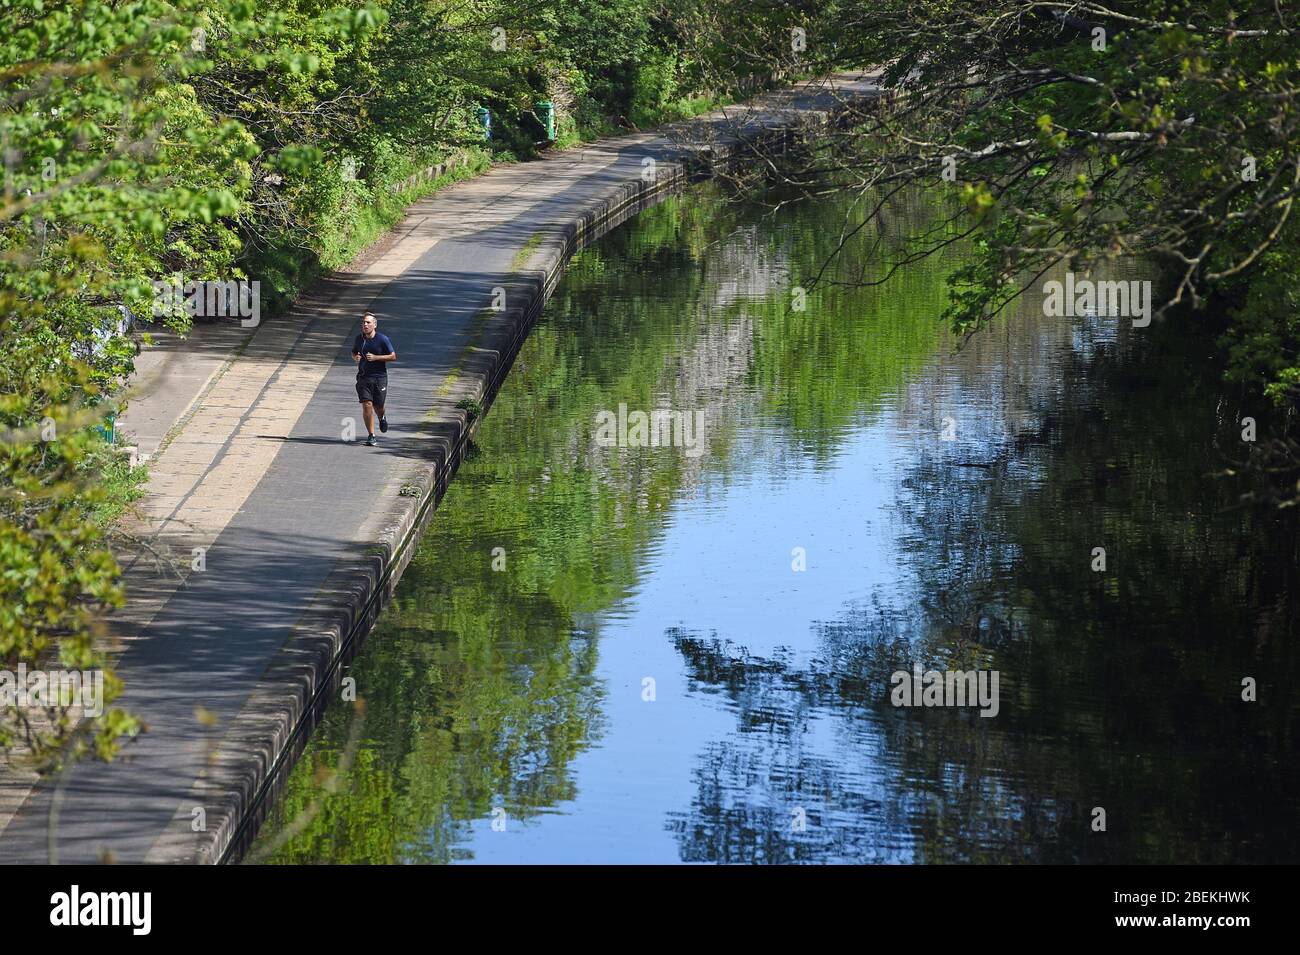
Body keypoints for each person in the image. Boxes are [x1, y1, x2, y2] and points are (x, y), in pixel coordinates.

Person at [351, 312, 397, 446]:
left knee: (379, 406)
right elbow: (354, 351)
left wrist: (376, 358)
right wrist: (356, 358)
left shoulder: (382, 339)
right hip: (364, 377)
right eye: (364, 322)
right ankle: (371, 435)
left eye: (368, 322)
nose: (365, 325)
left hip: (379, 378)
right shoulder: (359, 339)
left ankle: (382, 417)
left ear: (374, 325)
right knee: (367, 405)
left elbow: (393, 356)